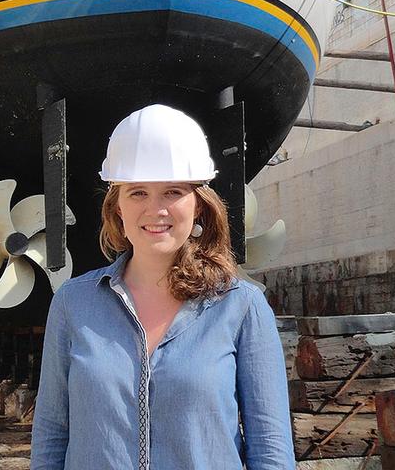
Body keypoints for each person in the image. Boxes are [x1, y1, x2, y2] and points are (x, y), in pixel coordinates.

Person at [31, 104, 295, 469]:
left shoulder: (240, 307)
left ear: (199, 206)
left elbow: (270, 447)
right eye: (138, 192)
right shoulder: (73, 304)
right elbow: (51, 434)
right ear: (118, 207)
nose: (156, 210)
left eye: (172, 191)